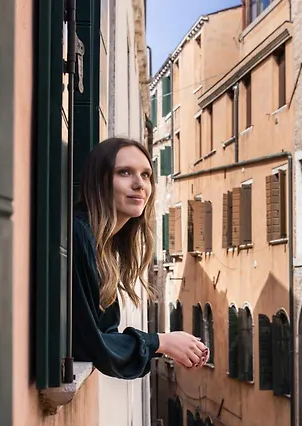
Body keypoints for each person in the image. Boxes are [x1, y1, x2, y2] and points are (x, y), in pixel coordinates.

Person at [72, 137, 208, 378]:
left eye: (146, 175)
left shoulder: (102, 248)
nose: (139, 184)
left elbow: (106, 337)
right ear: (99, 182)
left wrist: (161, 344)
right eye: (124, 172)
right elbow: (92, 344)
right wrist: (161, 342)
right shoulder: (79, 237)